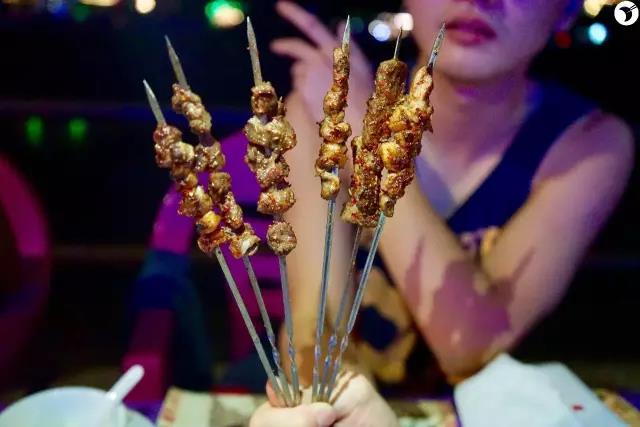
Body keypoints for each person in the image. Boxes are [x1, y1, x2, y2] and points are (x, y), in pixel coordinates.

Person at [254, 0, 634, 423]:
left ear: (565, 11)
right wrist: (342, 407)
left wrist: (368, 131)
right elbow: (314, 319)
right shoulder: (324, 115)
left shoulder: (588, 146)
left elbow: (468, 346)